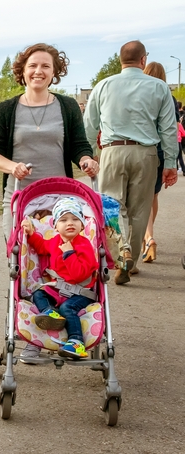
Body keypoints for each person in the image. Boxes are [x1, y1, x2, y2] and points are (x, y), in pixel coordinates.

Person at [0, 42, 98, 362]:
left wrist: (87, 160)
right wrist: (12, 167)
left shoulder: (66, 106)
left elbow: (79, 145)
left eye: (46, 66)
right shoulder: (7, 109)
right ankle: (32, 337)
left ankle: (67, 330)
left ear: (54, 72)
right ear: (22, 71)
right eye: (33, 65)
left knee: (61, 268)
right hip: (20, 198)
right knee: (24, 266)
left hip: (62, 202)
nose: (39, 71)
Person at [84, 41, 178, 284]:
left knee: (112, 206)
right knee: (139, 210)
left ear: (120, 61)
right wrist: (169, 162)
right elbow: (168, 128)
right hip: (146, 153)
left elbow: (89, 124)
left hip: (113, 151)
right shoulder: (159, 88)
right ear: (143, 60)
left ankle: (120, 251)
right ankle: (131, 261)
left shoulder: (103, 86)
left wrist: (90, 154)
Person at [21, 197, 97, 360]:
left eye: (75, 219)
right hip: (58, 290)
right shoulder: (55, 241)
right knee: (38, 293)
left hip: (80, 293)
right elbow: (41, 247)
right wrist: (31, 233)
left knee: (67, 309)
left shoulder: (84, 246)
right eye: (64, 220)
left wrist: (69, 253)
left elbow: (80, 274)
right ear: (55, 226)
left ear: (82, 225)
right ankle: (49, 313)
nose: (70, 223)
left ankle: (76, 342)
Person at [139, 62, 181, 266]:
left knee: (141, 196)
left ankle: (147, 237)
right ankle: (148, 237)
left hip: (142, 148)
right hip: (162, 150)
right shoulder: (168, 97)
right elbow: (172, 127)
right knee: (153, 196)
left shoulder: (141, 95)